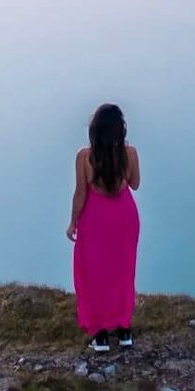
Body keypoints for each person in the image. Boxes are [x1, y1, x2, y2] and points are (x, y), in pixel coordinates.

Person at [67, 102, 140, 354]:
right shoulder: (129, 154)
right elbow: (136, 183)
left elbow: (80, 194)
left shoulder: (84, 157)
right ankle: (124, 329)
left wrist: (72, 222)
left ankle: (99, 334)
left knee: (94, 274)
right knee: (122, 271)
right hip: (124, 218)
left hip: (95, 220)